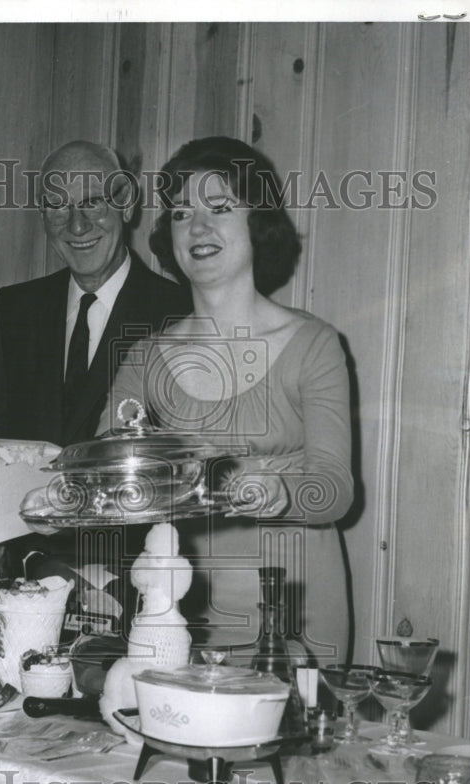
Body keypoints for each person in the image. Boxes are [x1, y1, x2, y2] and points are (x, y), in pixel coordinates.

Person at [96, 136, 355, 664]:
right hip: (178, 615)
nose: (198, 227)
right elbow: (103, 471)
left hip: (296, 616)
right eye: (181, 213)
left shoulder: (315, 343)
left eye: (220, 208)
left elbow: (336, 491)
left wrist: (280, 489)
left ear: (257, 223)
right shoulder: (145, 358)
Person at [0, 139, 192, 448]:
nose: (77, 226)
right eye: (58, 206)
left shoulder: (183, 314)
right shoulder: (14, 310)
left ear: (126, 203)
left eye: (92, 202)